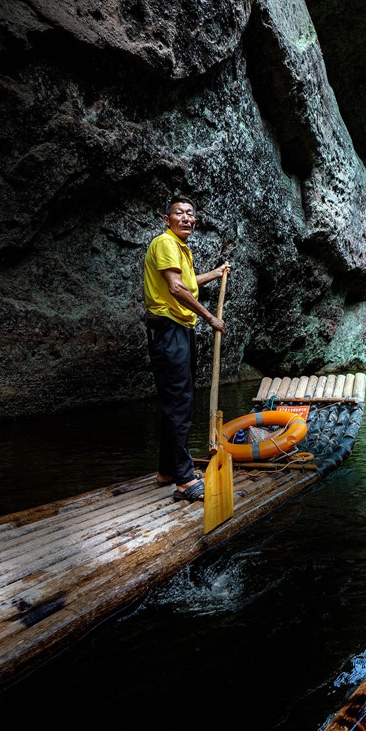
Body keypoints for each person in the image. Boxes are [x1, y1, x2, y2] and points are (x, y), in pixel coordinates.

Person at [143, 195, 229, 502]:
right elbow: (176, 288)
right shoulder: (165, 243)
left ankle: (167, 470)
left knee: (178, 400)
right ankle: (183, 481)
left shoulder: (181, 249)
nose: (186, 218)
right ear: (167, 220)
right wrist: (210, 318)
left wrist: (217, 273)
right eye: (179, 213)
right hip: (169, 329)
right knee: (180, 402)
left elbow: (189, 282)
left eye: (190, 214)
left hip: (179, 329)